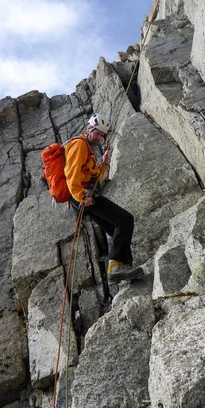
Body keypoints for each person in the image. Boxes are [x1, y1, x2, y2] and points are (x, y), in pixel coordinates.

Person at [64, 113, 143, 285]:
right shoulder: (79, 145)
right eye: (97, 133)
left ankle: (125, 267)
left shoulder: (87, 148)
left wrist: (105, 163)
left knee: (115, 229)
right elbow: (71, 175)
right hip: (84, 197)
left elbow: (94, 177)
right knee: (125, 219)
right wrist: (82, 196)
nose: (99, 137)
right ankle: (116, 268)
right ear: (89, 128)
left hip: (84, 197)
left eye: (102, 135)